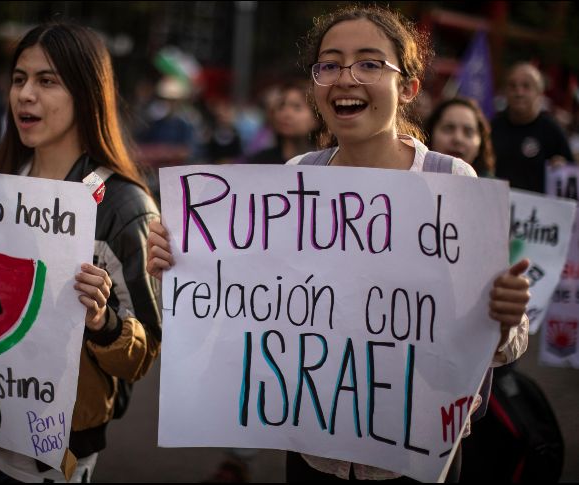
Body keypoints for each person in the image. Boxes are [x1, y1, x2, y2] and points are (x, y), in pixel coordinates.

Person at [146, 5, 530, 483]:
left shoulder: (451, 181)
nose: (346, 78)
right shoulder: (294, 179)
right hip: (312, 451)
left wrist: (505, 314)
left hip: (415, 454)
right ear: (316, 86)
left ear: (408, 87)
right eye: (329, 64)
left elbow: (506, 345)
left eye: (369, 63)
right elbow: (241, 307)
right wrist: (179, 266)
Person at [0, 21, 160, 482]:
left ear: (87, 93)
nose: (25, 94)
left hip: (58, 452)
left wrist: (102, 322)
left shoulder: (123, 207)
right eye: (19, 78)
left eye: (46, 80)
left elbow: (143, 353)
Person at [492, 62, 574, 193]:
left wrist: (563, 170)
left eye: (526, 86)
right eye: (513, 86)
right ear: (505, 92)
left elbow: (570, 176)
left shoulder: (552, 131)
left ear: (539, 93)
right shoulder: (492, 127)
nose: (519, 92)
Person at [247, 78, 321, 165]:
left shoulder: (324, 163)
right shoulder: (259, 162)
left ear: (317, 118)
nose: (286, 114)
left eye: (297, 107)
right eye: (281, 106)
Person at [425, 97, 495, 176]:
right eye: (448, 129)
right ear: (430, 134)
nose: (458, 139)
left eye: (468, 132)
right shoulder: (410, 181)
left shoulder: (493, 187)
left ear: (481, 142)